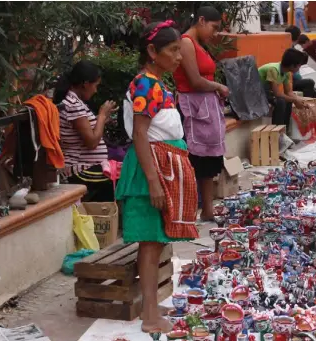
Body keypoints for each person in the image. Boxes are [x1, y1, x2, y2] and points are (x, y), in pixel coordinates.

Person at [116, 21, 198, 333]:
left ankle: (151, 304)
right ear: (152, 51)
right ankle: (150, 315)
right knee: (149, 245)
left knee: (157, 241)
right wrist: (153, 181)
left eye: (180, 50)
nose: (179, 57)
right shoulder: (146, 85)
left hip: (161, 168)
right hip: (152, 171)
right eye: (172, 50)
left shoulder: (155, 83)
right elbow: (140, 134)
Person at [174, 6, 229, 222]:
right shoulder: (186, 42)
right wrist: (218, 86)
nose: (214, 34)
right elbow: (195, 80)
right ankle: (192, 210)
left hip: (206, 106)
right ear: (201, 20)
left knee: (208, 161)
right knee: (196, 159)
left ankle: (208, 209)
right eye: (213, 28)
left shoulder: (199, 44)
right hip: (194, 107)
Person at [54, 61, 118, 202]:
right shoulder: (73, 104)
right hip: (79, 169)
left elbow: (85, 130)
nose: (96, 90)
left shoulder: (74, 102)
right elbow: (91, 142)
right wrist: (101, 116)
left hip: (85, 166)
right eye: (95, 85)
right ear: (85, 84)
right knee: (125, 177)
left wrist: (100, 121)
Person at [258, 48, 308, 131]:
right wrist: (295, 101)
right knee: (280, 101)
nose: (299, 68)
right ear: (292, 65)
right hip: (256, 93)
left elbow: (289, 92)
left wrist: (300, 101)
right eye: (299, 65)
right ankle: (276, 131)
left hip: (266, 93)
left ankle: (285, 130)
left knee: (288, 100)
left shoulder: (287, 72)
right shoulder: (273, 69)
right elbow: (277, 94)